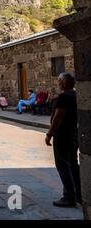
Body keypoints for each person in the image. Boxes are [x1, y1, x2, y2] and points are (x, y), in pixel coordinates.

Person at [46, 73, 81, 208]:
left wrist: (50, 134)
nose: (58, 82)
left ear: (65, 83)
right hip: (73, 133)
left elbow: (58, 118)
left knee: (63, 165)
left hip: (62, 135)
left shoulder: (64, 97)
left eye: (59, 80)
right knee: (73, 164)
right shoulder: (76, 95)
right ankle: (79, 194)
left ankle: (69, 197)